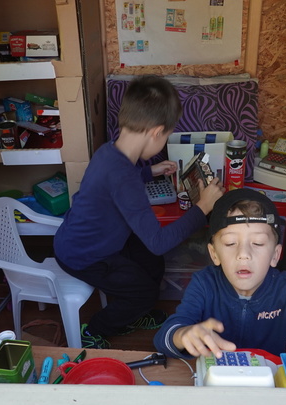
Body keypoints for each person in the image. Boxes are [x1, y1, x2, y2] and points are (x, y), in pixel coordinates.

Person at [54, 75, 225, 349]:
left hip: (93, 239)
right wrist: (202, 207)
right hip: (84, 256)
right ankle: (95, 330)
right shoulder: (124, 177)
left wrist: (149, 171)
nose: (163, 142)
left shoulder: (110, 151)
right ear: (157, 132)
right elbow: (159, 241)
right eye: (166, 136)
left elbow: (118, 183)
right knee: (144, 291)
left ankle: (133, 311)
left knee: (152, 262)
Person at [153, 188, 286, 388]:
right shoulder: (204, 284)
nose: (244, 254)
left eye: (259, 243)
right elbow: (164, 337)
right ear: (214, 254)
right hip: (217, 386)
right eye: (230, 243)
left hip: (272, 391)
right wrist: (183, 334)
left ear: (275, 255)